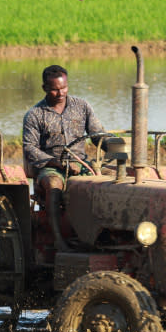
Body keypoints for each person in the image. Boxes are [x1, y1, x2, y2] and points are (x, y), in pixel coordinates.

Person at [22, 65, 104, 252]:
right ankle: (59, 240)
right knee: (54, 185)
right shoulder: (35, 115)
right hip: (51, 167)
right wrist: (57, 163)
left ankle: (98, 237)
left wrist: (113, 146)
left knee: (108, 181)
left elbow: (98, 134)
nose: (61, 93)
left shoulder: (82, 106)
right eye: (55, 89)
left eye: (64, 88)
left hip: (81, 163)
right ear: (44, 88)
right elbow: (30, 148)